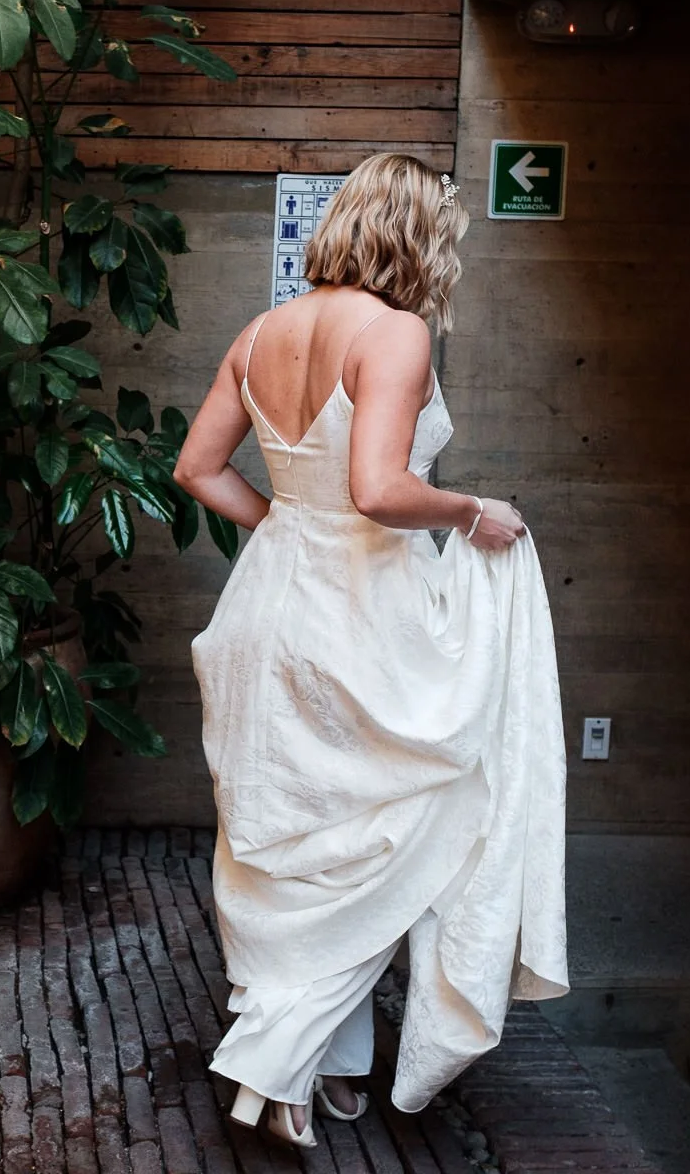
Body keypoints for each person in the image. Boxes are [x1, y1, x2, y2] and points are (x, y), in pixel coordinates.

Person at [172, 154, 570, 1149]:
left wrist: (283, 528)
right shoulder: (395, 332)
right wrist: (473, 510)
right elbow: (380, 491)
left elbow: (197, 469)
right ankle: (275, 1062)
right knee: (399, 824)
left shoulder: (261, 332)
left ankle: (329, 1062)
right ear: (417, 234)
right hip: (361, 609)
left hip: (269, 603)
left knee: (303, 828)